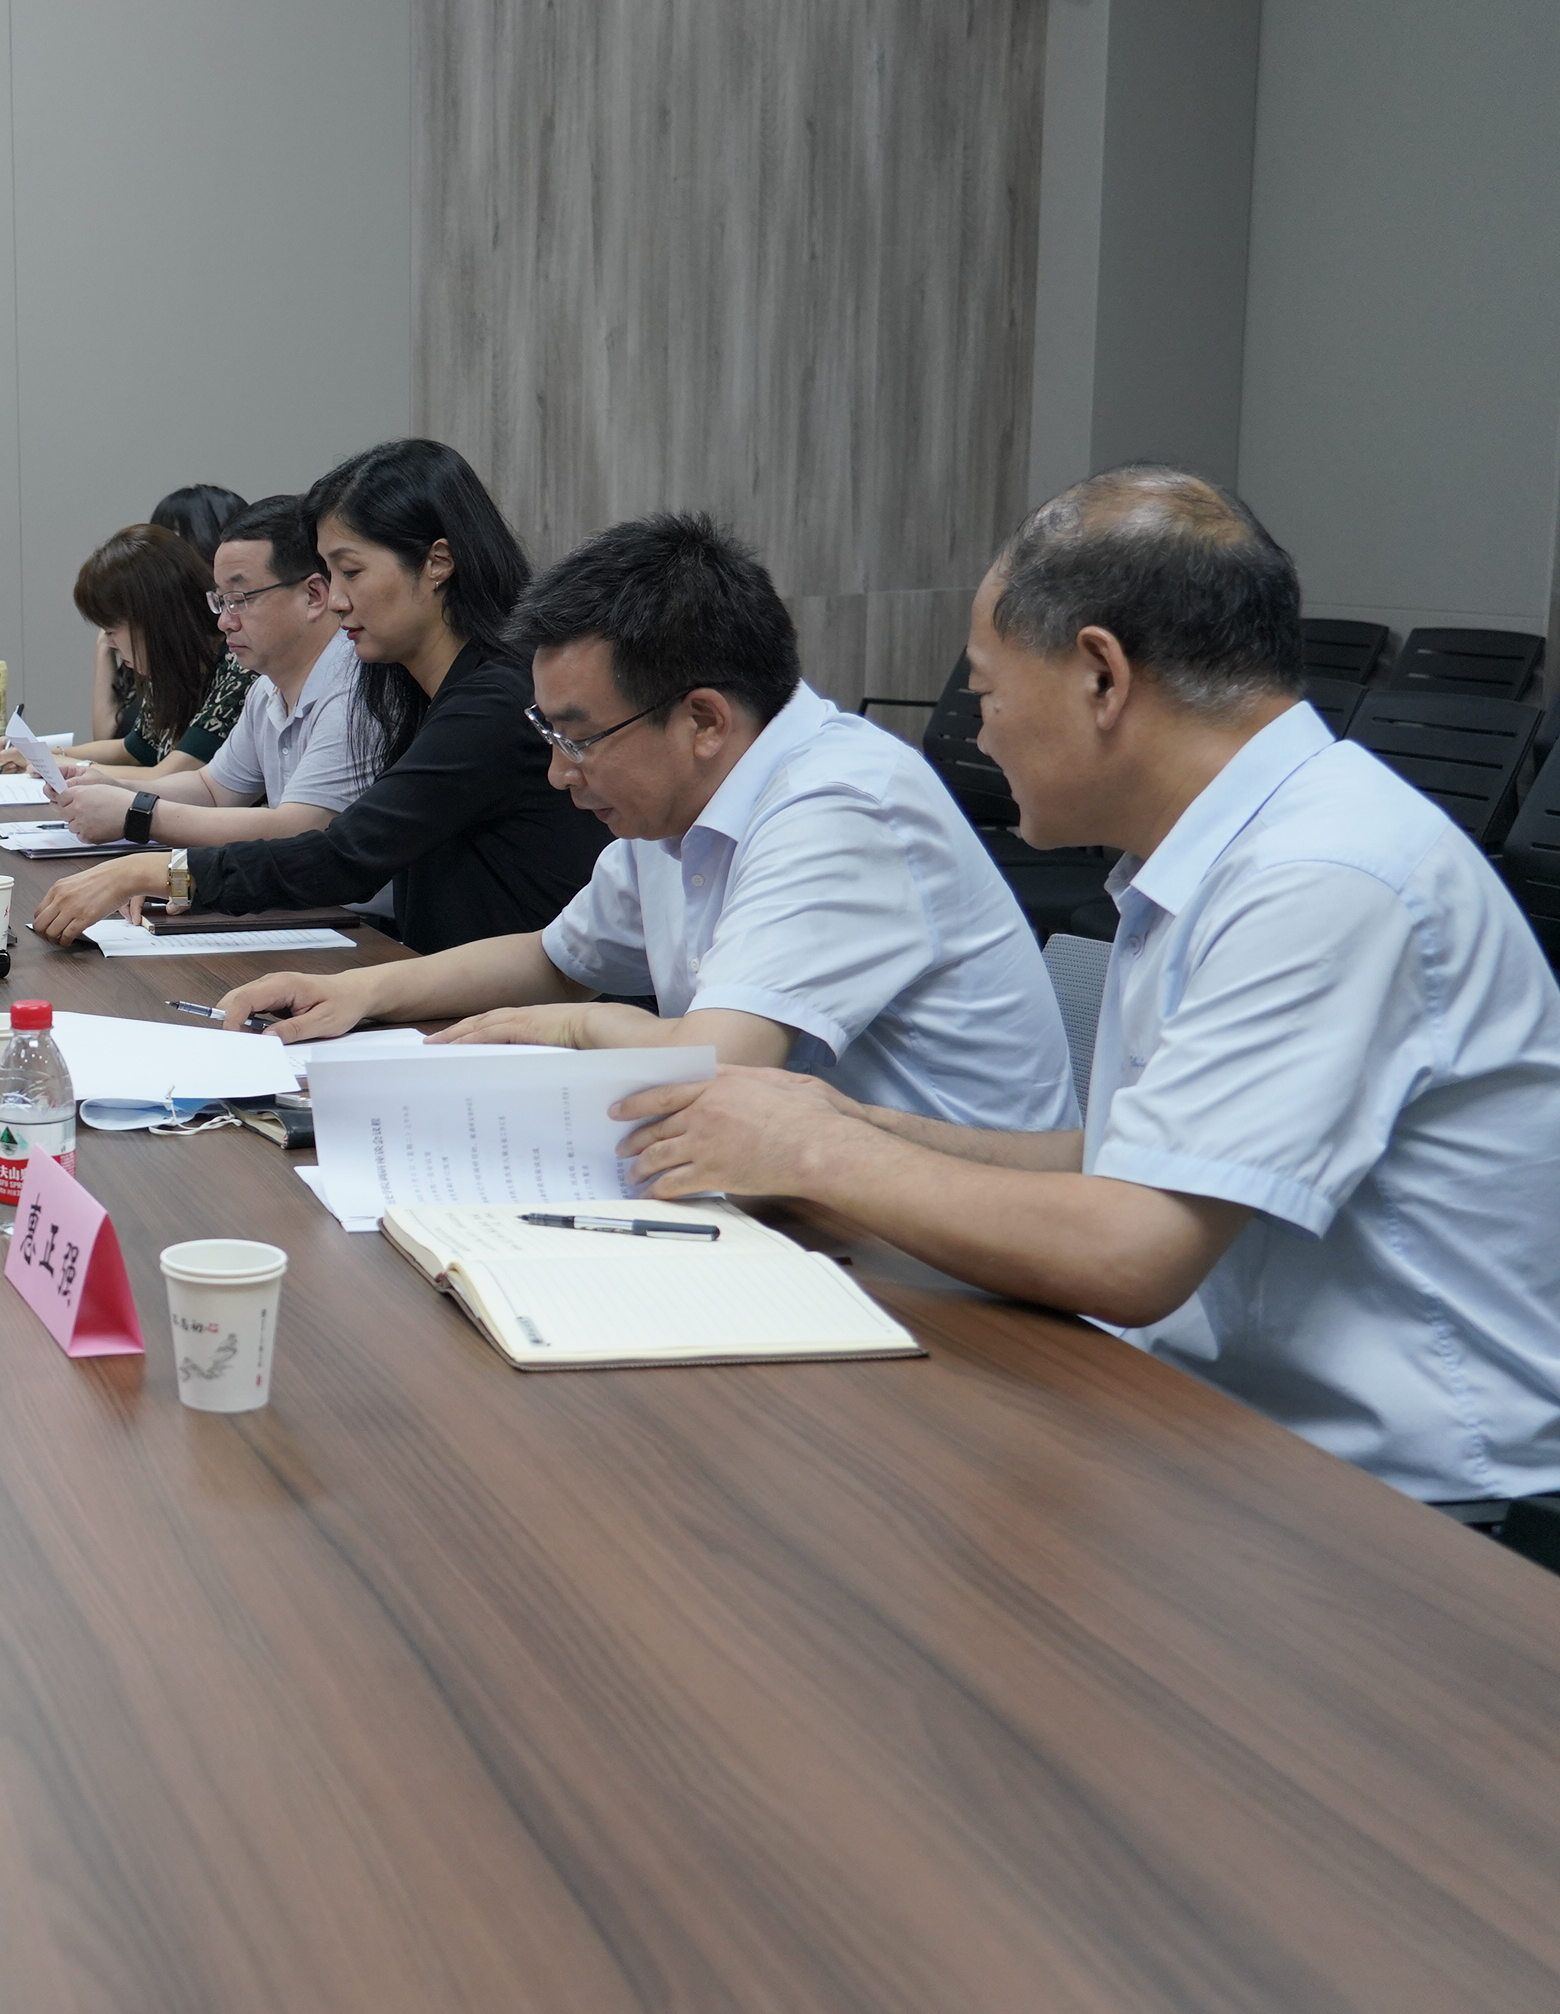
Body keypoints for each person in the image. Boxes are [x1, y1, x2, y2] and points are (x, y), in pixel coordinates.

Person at [612, 468, 1560, 1518]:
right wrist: (841, 1119)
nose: (981, 735)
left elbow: (1130, 1247)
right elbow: (1128, 1157)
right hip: (1230, 1439)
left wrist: (816, 1154)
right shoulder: (1225, 853)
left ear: (1102, 676)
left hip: (1423, 1517)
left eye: (989, 691)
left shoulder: (1327, 876)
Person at [213, 513, 1078, 1135]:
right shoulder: (682, 802)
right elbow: (559, 958)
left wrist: (581, 1027)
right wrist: (364, 992)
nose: (559, 773)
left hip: (960, 1277)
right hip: (814, 1213)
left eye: (579, 738)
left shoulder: (840, 803)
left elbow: (713, 1066)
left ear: (703, 720)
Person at [139, 439, 606, 952]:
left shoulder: (493, 701)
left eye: (351, 571)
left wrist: (163, 874)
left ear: (437, 562)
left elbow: (343, 858)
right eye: (330, 574)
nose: (337, 600)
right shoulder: (415, 686)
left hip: (513, 993)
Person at [31, 496, 378, 940]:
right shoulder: (267, 688)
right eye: (221, 601)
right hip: (303, 910)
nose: (224, 622)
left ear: (313, 595)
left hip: (363, 929)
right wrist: (116, 788)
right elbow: (213, 789)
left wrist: (138, 819)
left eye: (240, 599)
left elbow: (299, 828)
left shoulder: (354, 687)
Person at [14, 523, 244, 782]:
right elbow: (132, 750)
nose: (109, 644)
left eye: (112, 631)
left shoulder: (238, 668)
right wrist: (42, 753)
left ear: (152, 621)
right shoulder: (173, 668)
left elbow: (168, 776)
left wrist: (69, 765)